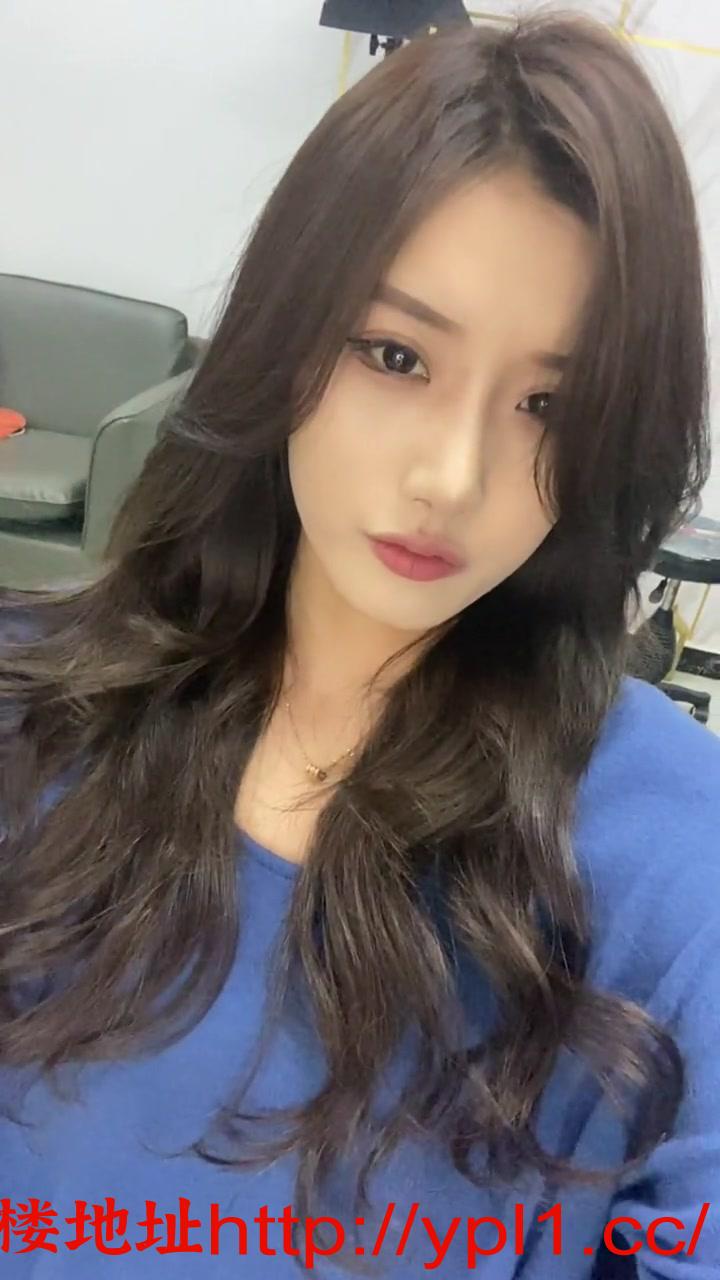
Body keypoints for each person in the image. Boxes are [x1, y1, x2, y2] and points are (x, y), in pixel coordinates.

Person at [0, 8, 718, 1278]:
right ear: (286, 338)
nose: (452, 475)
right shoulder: (45, 711)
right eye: (396, 355)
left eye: (548, 404)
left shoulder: (669, 855)